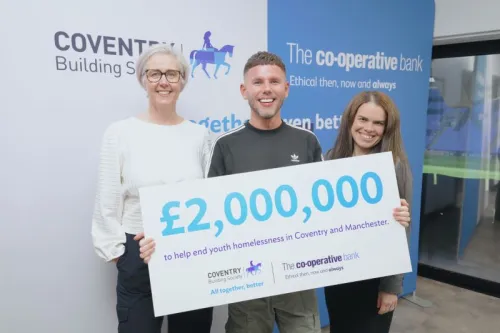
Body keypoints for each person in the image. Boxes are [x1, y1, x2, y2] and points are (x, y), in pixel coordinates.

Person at [136, 52, 411, 333]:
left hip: (299, 283)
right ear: (244, 91)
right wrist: (164, 241)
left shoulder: (307, 141)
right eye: (257, 82)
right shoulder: (224, 145)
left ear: (286, 89)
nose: (266, 89)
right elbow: (205, 219)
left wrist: (388, 217)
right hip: (248, 287)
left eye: (274, 81)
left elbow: (332, 216)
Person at [91, 43, 213, 333]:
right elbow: (107, 201)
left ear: (182, 81)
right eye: (155, 73)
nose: (163, 82)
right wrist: (121, 254)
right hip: (139, 255)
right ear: (143, 79)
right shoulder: (119, 133)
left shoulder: (201, 136)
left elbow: (211, 197)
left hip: (190, 254)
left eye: (172, 74)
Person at [323, 90, 412, 333]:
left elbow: (401, 232)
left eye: (378, 123)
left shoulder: (394, 165)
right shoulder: (330, 160)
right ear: (350, 120)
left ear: (387, 128)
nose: (369, 128)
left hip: (375, 280)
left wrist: (391, 287)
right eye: (363, 119)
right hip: (339, 275)